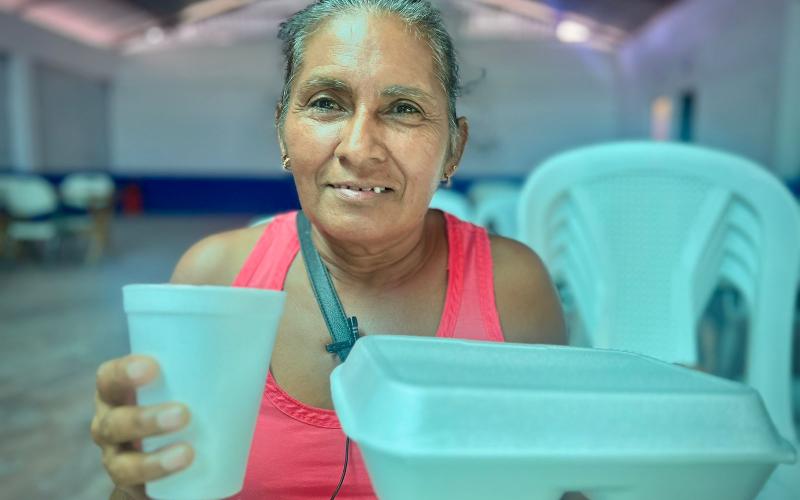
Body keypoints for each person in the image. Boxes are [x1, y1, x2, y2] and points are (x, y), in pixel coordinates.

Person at [91, 1, 567, 498]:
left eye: (404, 109)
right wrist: (137, 484)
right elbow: (165, 482)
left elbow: (559, 481)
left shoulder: (512, 289)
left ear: (454, 148)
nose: (358, 148)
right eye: (326, 103)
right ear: (282, 132)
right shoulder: (215, 278)